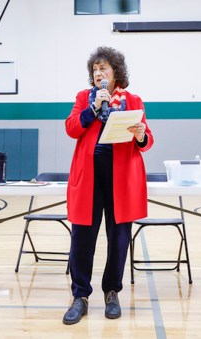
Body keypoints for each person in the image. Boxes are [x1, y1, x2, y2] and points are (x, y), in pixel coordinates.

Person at [62, 46, 154, 325]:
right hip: (89, 178)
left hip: (121, 179)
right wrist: (92, 109)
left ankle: (112, 292)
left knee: (119, 239)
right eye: (95, 69)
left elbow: (147, 140)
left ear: (116, 72)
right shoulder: (84, 98)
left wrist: (140, 135)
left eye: (104, 68)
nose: (98, 73)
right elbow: (71, 128)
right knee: (82, 238)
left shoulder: (134, 100)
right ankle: (80, 296)